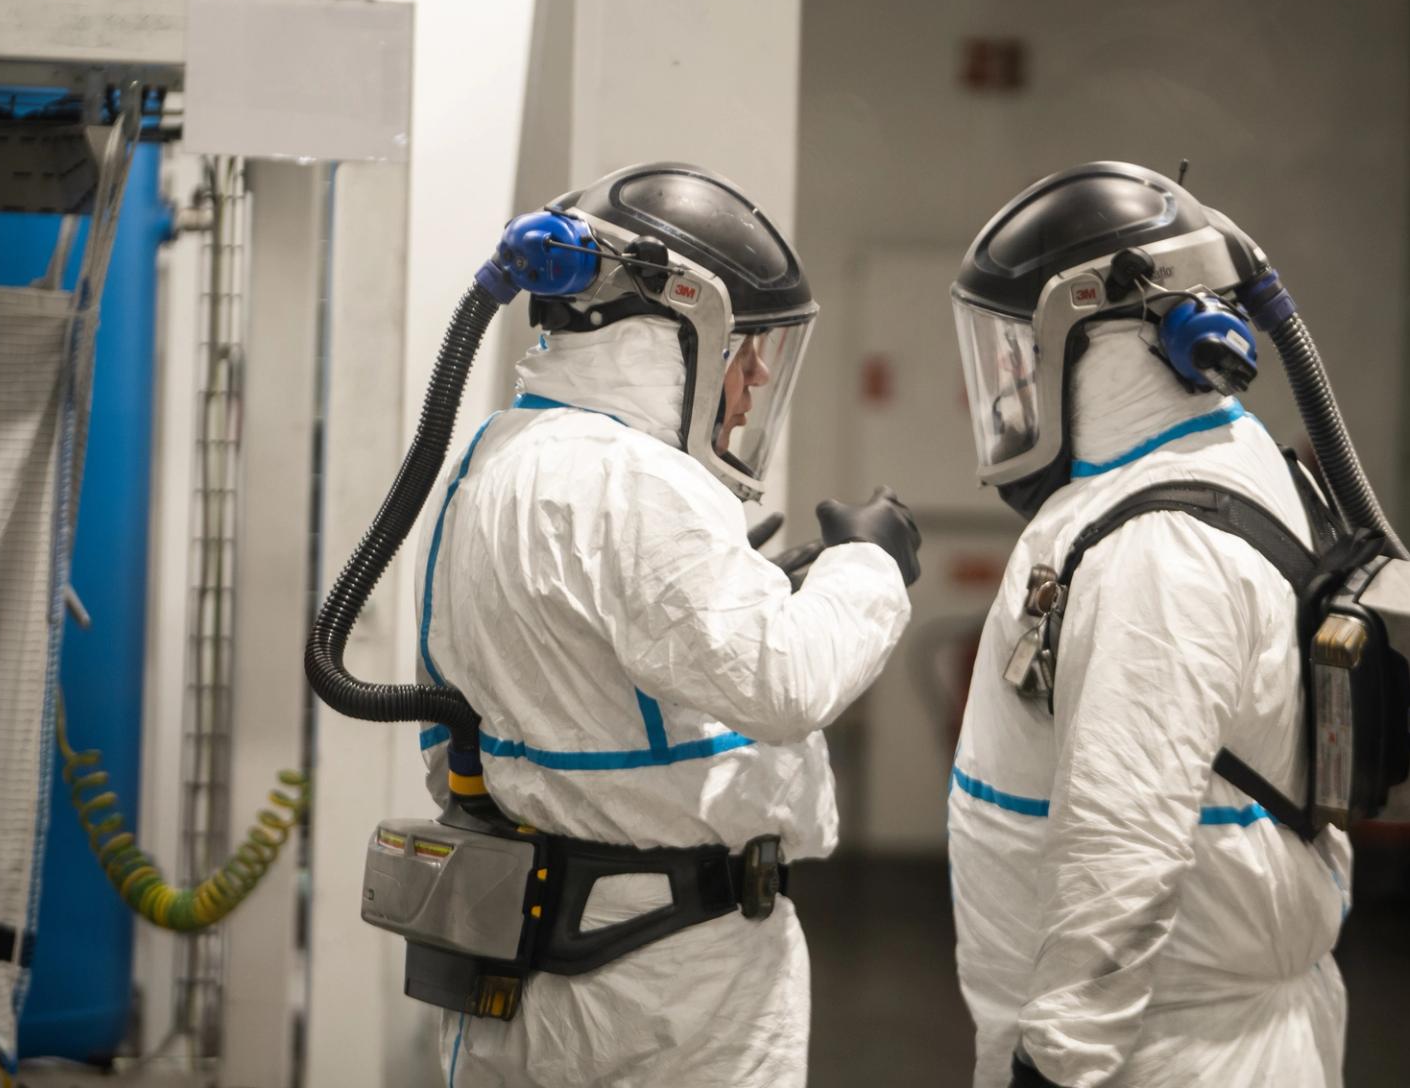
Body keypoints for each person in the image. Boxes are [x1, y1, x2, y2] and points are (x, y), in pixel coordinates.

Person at [414, 162, 921, 1087]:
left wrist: (749, 584)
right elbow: (785, 685)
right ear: (673, 327)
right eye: (745, 346)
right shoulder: (637, 480)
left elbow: (575, 662)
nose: (757, 373)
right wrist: (870, 566)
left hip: (540, 951)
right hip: (664, 987)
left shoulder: (496, 456)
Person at [946, 163, 1352, 1087]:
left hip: (1158, 1053)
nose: (1012, 389)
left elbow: (1122, 849)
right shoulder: (1226, 450)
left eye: (1024, 354)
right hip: (1200, 1031)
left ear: (1117, 343)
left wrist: (1054, 1065)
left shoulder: (1157, 550)